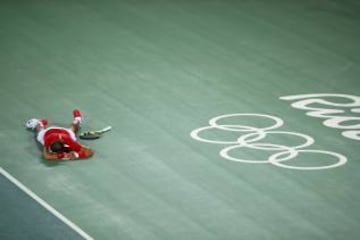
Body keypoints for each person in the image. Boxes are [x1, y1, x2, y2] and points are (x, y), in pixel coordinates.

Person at [25, 109, 94, 160]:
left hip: (65, 133)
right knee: (39, 134)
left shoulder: (70, 142)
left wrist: (77, 155)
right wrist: (60, 156)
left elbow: (90, 151)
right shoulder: (48, 140)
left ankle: (78, 119)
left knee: (73, 129)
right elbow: (46, 156)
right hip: (49, 132)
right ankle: (39, 123)